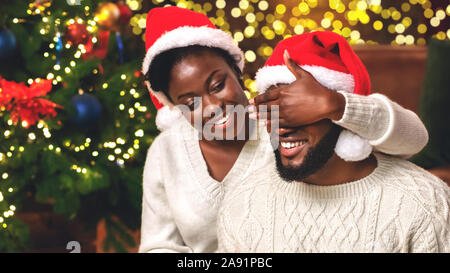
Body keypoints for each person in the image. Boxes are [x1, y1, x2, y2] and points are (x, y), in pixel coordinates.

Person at [139, 7, 429, 253]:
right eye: (190, 103)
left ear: (237, 73)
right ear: (175, 108)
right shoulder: (166, 152)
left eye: (218, 85)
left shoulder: (286, 123)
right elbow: (157, 246)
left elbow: (412, 140)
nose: (213, 106)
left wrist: (337, 104)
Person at [217, 32, 450, 253]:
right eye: (276, 111)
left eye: (301, 112)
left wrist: (337, 104)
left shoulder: (423, 203)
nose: (284, 128)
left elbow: (415, 135)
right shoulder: (242, 204)